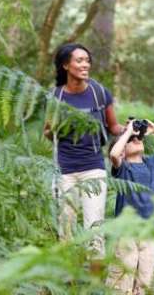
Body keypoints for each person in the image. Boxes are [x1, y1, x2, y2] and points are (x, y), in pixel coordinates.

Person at [44, 43, 123, 256]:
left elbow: (113, 126)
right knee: (65, 229)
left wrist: (130, 130)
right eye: (79, 60)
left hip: (94, 169)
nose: (85, 64)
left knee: (94, 229)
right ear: (65, 65)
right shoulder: (55, 96)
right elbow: (48, 131)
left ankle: (94, 285)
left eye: (87, 60)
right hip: (64, 171)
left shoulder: (99, 93)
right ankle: (66, 282)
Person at [106, 119, 154, 294]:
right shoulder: (123, 167)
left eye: (137, 138)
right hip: (127, 230)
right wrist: (127, 132)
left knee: (147, 277)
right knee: (123, 274)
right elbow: (113, 155)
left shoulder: (152, 163)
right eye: (131, 141)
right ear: (123, 151)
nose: (135, 139)